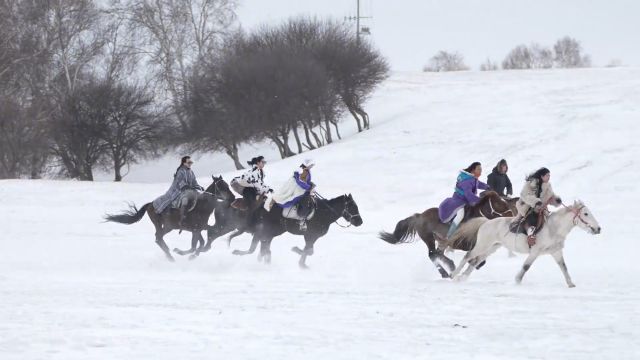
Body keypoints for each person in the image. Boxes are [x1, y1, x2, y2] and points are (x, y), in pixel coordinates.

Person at [512, 167, 562, 247]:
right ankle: (530, 236)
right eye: (547, 175)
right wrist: (535, 201)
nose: (549, 177)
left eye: (549, 175)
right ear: (542, 176)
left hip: (541, 208)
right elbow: (524, 195)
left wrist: (556, 200)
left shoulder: (548, 186)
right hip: (527, 206)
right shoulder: (530, 183)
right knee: (533, 217)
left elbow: (551, 196)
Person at [438, 162, 490, 239]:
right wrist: (481, 200)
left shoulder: (472, 178)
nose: (480, 171)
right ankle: (449, 236)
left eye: (481, 169)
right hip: (459, 201)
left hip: (466, 201)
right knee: (460, 215)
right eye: (479, 169)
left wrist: (487, 187)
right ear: (473, 170)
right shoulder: (467, 181)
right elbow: (469, 195)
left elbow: (478, 184)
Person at [152, 156, 203, 228]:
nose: (190, 164)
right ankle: (183, 219)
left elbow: (194, 182)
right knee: (185, 200)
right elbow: (180, 182)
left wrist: (199, 187)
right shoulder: (180, 171)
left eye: (191, 162)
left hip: (189, 191)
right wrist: (186, 186)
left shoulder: (191, 172)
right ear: (184, 163)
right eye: (188, 162)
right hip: (178, 191)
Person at [270, 159, 316, 230]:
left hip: (301, 187)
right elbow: (300, 182)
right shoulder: (304, 171)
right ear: (307, 164)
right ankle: (302, 219)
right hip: (298, 189)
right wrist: (309, 187)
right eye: (311, 165)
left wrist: (310, 184)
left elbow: (305, 181)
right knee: (305, 201)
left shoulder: (305, 170)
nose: (312, 166)